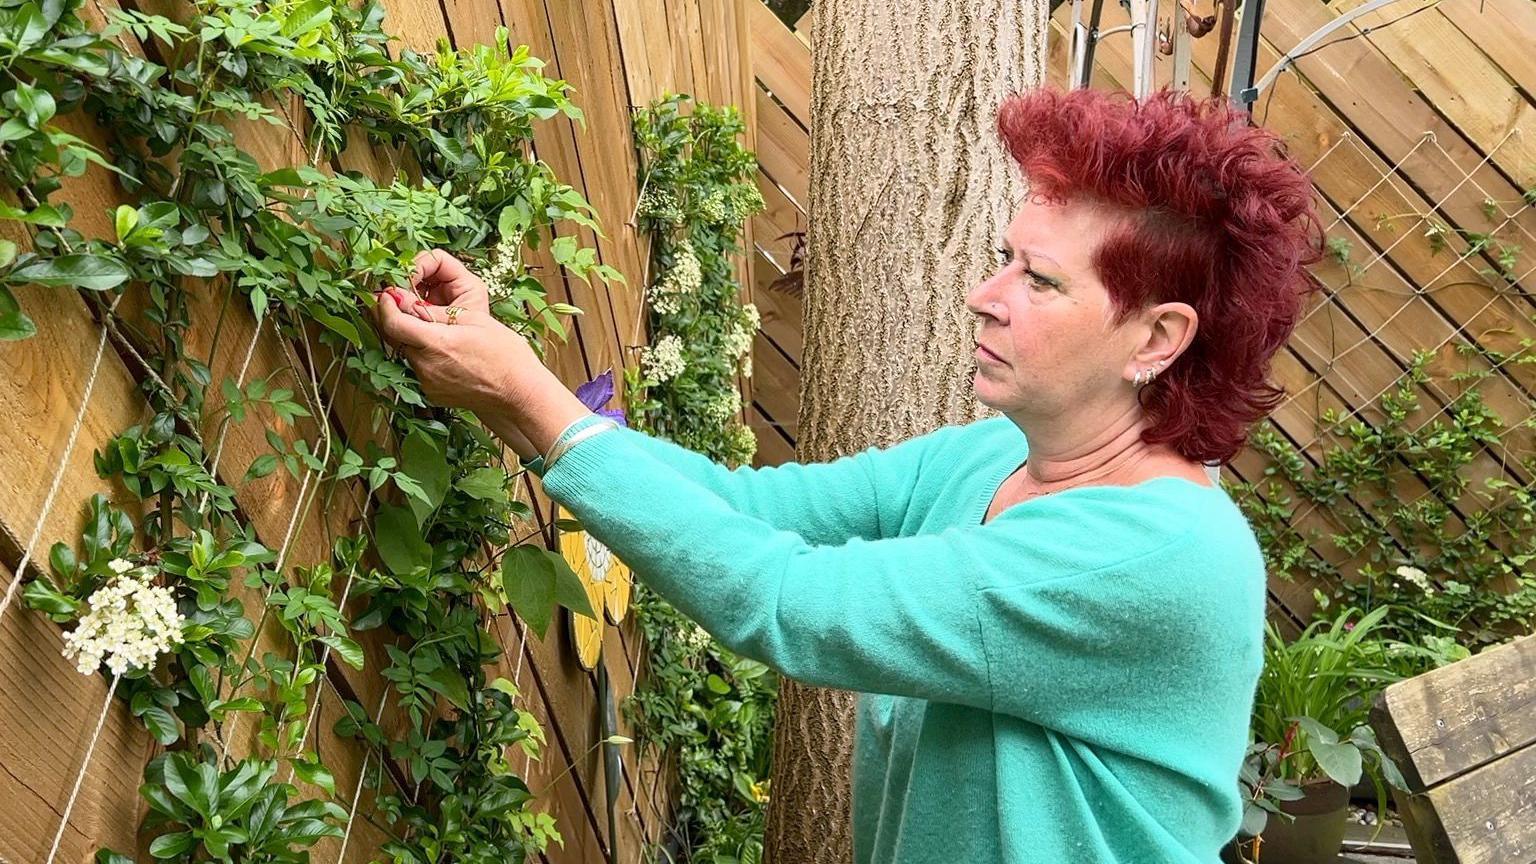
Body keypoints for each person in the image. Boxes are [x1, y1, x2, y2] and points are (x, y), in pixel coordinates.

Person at [371, 86, 1321, 863]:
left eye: (1038, 280)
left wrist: (534, 401)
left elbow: (787, 601)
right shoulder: (993, 458)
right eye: (1002, 261)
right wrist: (515, 395)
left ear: (1157, 337)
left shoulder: (1149, 555)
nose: (981, 297)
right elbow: (745, 506)